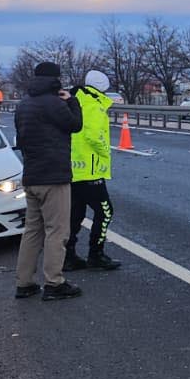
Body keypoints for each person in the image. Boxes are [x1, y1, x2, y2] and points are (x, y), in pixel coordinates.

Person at [12, 61, 85, 300]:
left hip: (31, 174)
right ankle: (54, 283)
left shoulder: (24, 104)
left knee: (32, 230)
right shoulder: (53, 102)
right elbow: (75, 125)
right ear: (55, 79)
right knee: (57, 230)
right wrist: (72, 101)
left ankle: (24, 283)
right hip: (54, 176)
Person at [66, 70, 121, 272]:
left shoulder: (75, 100)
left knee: (75, 214)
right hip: (90, 170)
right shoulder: (94, 104)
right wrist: (105, 151)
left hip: (74, 169)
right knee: (105, 212)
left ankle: (67, 256)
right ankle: (96, 254)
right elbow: (93, 136)